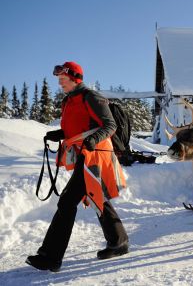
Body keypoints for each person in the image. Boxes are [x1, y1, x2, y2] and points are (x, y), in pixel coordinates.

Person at [26, 61, 129, 272]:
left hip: (95, 156)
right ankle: (119, 241)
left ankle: (50, 257)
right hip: (83, 154)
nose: (60, 83)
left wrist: (93, 140)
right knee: (95, 197)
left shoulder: (91, 97)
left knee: (67, 202)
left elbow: (110, 125)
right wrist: (60, 134)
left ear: (75, 78)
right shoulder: (69, 101)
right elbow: (77, 127)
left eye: (63, 80)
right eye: (59, 80)